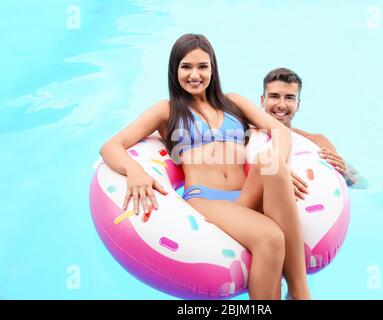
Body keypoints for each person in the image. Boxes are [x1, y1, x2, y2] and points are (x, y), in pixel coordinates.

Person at [99, 34, 310, 300]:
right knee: (270, 238)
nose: (195, 74)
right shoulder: (167, 110)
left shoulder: (233, 102)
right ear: (174, 70)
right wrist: (134, 170)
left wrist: (279, 166)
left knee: (270, 160)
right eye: (186, 66)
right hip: (206, 199)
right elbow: (111, 146)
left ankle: (300, 293)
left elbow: (279, 131)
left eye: (202, 66)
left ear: (213, 68)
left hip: (246, 195)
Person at [261, 68, 368, 188]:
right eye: (274, 96)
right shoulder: (248, 136)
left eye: (289, 98)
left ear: (298, 105)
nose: (281, 105)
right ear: (262, 101)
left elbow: (361, 184)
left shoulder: (316, 142)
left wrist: (346, 174)